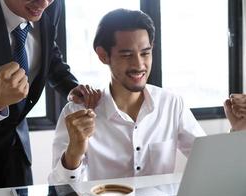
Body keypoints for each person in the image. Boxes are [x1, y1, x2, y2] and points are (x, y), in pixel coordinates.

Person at [0, 0, 100, 196]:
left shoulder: (49, 7)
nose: (43, 3)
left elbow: (48, 51)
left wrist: (69, 86)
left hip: (17, 154)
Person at [48, 8, 206, 184]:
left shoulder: (172, 104)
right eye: (127, 55)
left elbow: (209, 160)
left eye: (145, 53)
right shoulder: (76, 112)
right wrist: (74, 152)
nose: (139, 65)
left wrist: (238, 130)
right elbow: (58, 188)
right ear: (103, 55)